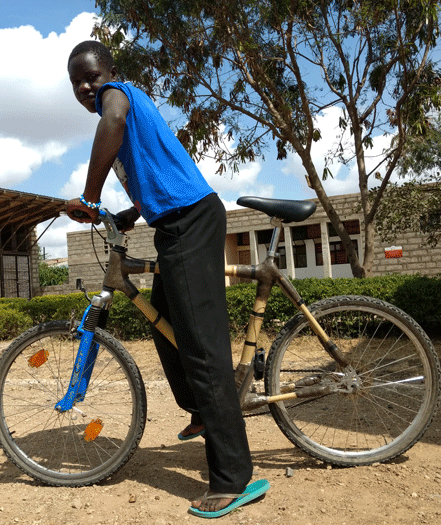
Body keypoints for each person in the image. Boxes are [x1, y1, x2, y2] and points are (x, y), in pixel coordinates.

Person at [65, 40, 268, 518]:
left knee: (202, 349)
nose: (85, 87)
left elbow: (111, 119)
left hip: (191, 223)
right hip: (173, 223)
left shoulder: (117, 98)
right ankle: (202, 411)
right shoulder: (128, 107)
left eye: (91, 76)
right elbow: (158, 171)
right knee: (163, 319)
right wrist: (130, 212)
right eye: (76, 81)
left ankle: (233, 478)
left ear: (110, 73)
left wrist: (90, 196)